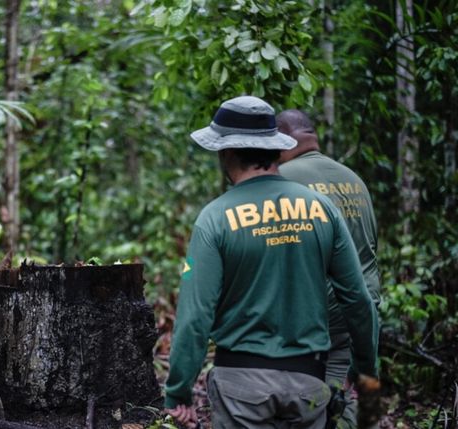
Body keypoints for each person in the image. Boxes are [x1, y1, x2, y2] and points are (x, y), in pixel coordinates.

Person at [163, 96, 379, 429]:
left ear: (226, 152)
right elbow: (358, 298)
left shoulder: (215, 218)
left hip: (240, 389)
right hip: (309, 382)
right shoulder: (322, 209)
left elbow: (195, 317)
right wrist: (364, 367)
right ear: (276, 149)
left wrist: (178, 391)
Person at [277, 109, 381, 429]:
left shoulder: (282, 181)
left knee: (298, 400)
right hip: (360, 308)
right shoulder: (355, 180)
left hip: (312, 313)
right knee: (340, 393)